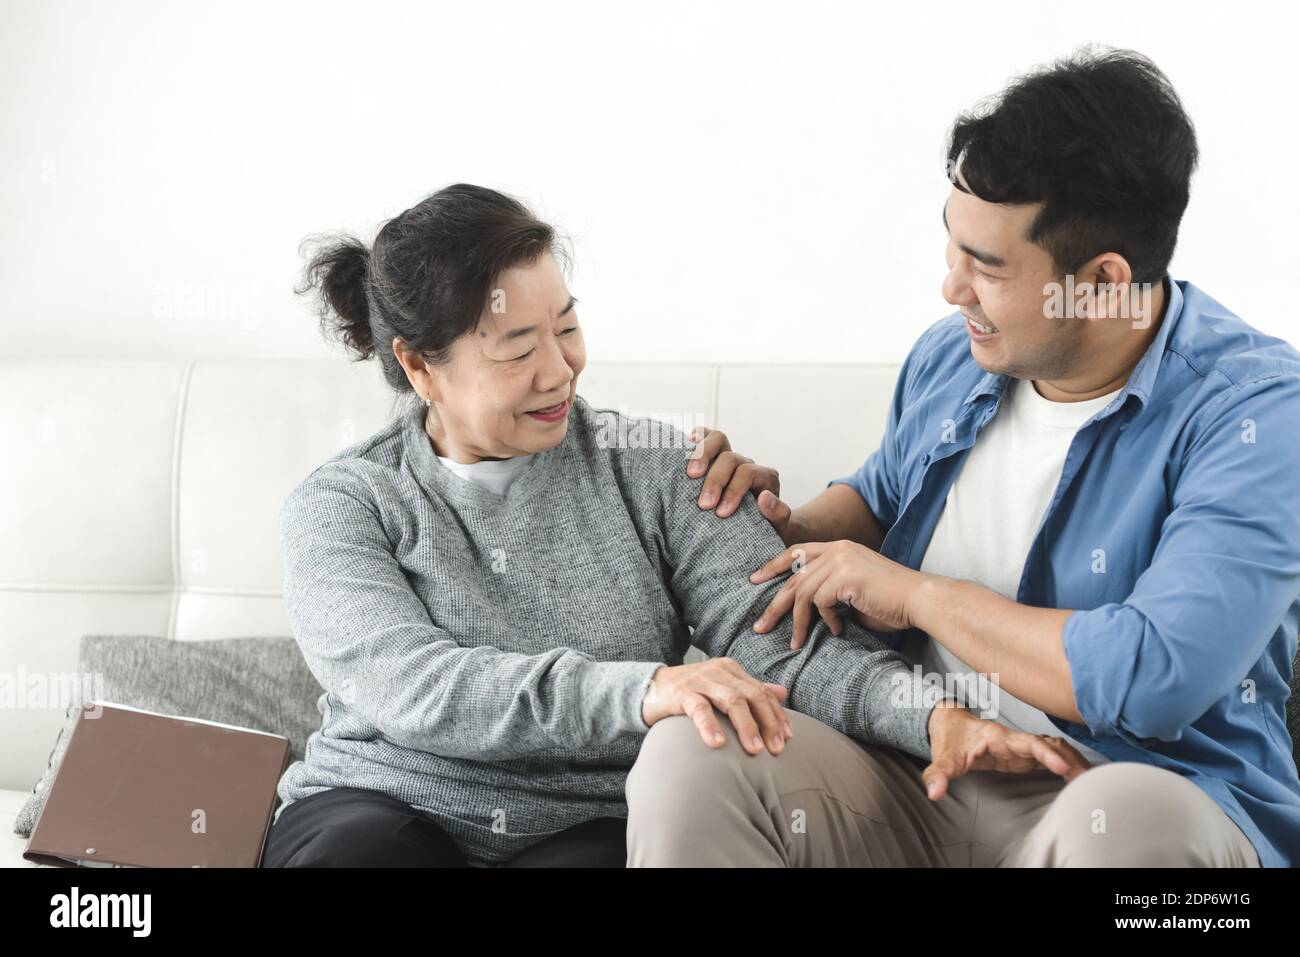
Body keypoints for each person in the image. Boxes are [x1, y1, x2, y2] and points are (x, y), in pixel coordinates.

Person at [260, 183, 1087, 868]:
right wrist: (649, 687)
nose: (560, 369)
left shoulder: (660, 468)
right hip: (381, 801)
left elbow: (782, 645)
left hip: (580, 819)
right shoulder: (345, 502)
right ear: (417, 364)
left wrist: (937, 716)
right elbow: (420, 687)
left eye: (568, 326)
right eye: (516, 349)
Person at [665, 46, 1300, 866]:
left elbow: (1158, 672)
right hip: (921, 770)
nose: (951, 288)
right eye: (953, 249)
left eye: (987, 267)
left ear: (1103, 282)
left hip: (1132, 786)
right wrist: (760, 521)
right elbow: (876, 502)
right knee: (696, 756)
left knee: (1132, 822)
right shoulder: (955, 355)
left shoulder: (1256, 412)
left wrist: (921, 596)